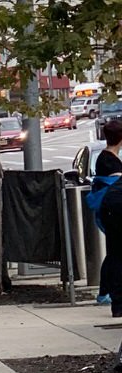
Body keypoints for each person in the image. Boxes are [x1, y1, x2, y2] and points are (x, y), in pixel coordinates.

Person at [96, 120, 122, 319]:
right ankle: (114, 297)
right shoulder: (110, 162)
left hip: (110, 211)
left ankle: (108, 292)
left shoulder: (106, 157)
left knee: (114, 254)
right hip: (115, 211)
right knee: (116, 256)